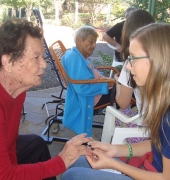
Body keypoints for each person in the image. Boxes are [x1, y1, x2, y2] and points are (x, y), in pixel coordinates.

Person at [62, 22, 170, 180]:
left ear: (158, 60)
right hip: (152, 165)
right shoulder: (163, 103)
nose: (127, 67)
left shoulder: (167, 117)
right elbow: (159, 145)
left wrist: (114, 164)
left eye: (133, 58)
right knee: (78, 161)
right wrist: (114, 149)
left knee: (72, 175)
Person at [0, 18, 93, 180]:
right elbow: (1, 176)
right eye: (36, 57)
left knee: (35, 145)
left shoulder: (17, 89)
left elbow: (9, 144)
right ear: (8, 62)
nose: (44, 64)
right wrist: (62, 161)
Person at [62, 26, 114, 137]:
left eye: (95, 42)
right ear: (79, 40)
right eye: (91, 42)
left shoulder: (78, 56)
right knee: (124, 91)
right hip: (89, 97)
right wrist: (106, 84)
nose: (94, 45)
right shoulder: (74, 58)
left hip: (94, 91)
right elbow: (81, 88)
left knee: (122, 87)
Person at [114, 9, 155, 121]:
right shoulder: (160, 58)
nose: (129, 67)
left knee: (118, 118)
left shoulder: (131, 64)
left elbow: (123, 103)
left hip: (145, 127)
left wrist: (118, 83)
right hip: (157, 126)